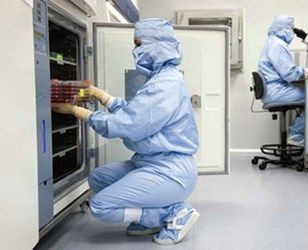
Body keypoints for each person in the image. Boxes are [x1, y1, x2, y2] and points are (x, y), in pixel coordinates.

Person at [52, 18, 200, 245]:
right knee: (97, 178)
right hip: (150, 163)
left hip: (169, 171)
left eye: (139, 44)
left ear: (157, 45)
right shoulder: (161, 79)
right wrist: (100, 95)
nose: (135, 50)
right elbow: (135, 114)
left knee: (100, 206)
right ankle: (158, 212)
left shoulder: (165, 84)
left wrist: (75, 111)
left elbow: (126, 125)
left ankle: (169, 214)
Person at [258, 15, 308, 145]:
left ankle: (297, 134)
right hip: (277, 92)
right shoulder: (278, 45)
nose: (292, 33)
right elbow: (290, 73)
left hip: (273, 90)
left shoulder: (272, 42)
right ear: (283, 29)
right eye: (291, 29)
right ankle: (296, 135)